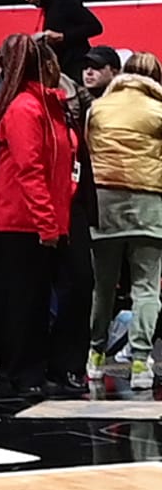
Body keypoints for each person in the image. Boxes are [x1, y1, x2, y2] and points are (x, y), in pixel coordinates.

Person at [0, 33, 76, 397]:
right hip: (21, 222)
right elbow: (29, 170)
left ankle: (35, 370)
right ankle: (22, 373)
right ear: (45, 65)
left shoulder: (49, 106)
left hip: (42, 220)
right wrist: (47, 223)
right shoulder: (25, 109)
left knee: (36, 301)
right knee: (23, 302)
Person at [85, 48, 162, 391]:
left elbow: (86, 152)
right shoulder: (159, 110)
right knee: (146, 286)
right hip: (149, 201)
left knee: (103, 285)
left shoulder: (98, 108)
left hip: (104, 202)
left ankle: (95, 356)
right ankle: (141, 361)